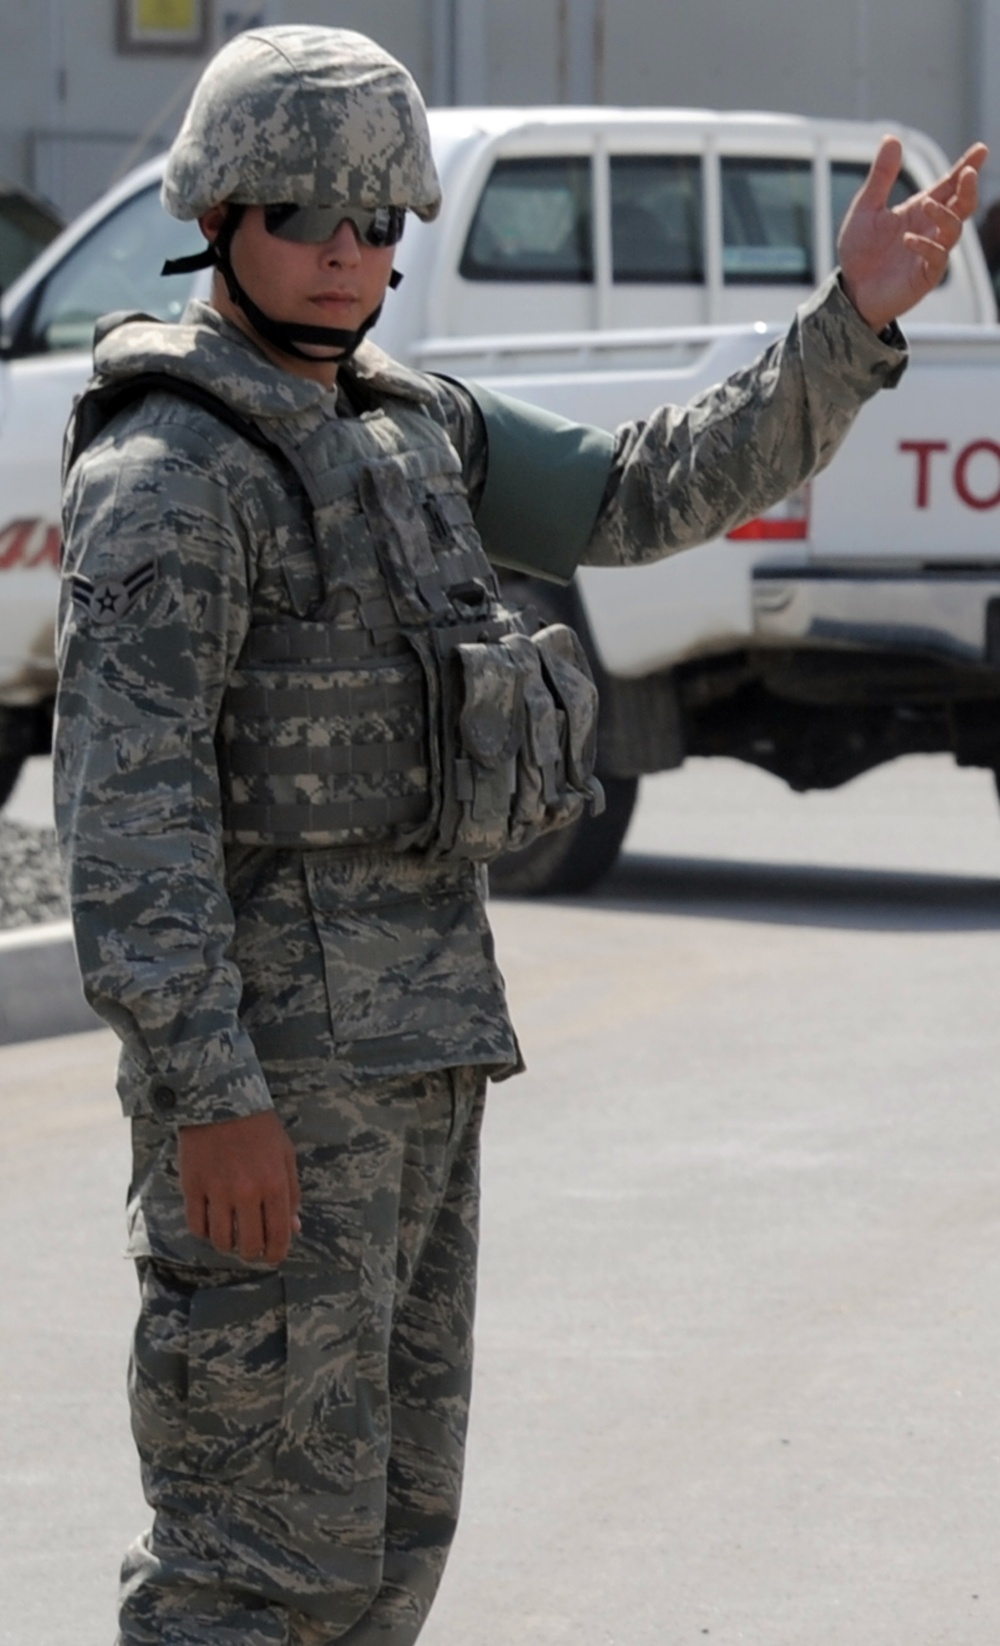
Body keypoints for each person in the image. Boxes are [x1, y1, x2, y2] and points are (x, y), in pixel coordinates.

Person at [53, 24, 985, 1646]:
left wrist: (849, 329)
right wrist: (213, 1097)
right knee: (248, 1567)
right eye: (306, 218)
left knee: (393, 1543)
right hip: (271, 1091)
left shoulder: (418, 426)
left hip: (424, 1070)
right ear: (217, 216)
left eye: (380, 225)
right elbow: (127, 825)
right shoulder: (171, 473)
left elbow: (645, 492)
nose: (348, 257)